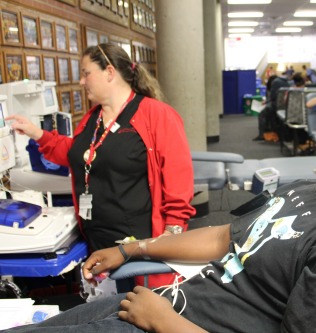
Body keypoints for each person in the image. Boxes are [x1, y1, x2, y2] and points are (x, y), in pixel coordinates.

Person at [1, 104, 316, 333]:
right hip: (167, 304)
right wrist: (133, 248)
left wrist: (169, 324)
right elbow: (228, 237)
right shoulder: (312, 189)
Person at [6, 43, 196, 289]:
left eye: (86, 73)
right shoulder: (92, 118)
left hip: (139, 247)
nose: (82, 82)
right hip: (98, 241)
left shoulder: (157, 115)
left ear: (109, 72)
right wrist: (37, 134)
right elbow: (78, 154)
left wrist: (172, 234)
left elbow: (178, 179)